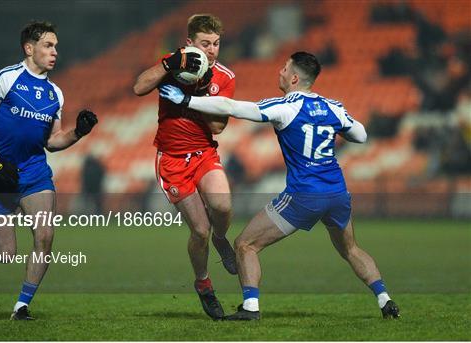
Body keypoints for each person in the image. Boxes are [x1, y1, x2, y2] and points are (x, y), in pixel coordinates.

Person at [159, 51, 400, 320]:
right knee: (351, 249)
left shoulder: (286, 107)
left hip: (304, 195)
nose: (280, 72)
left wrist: (189, 100)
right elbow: (361, 134)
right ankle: (385, 300)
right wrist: (333, 126)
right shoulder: (333, 107)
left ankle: (250, 308)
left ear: (295, 78)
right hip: (337, 193)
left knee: (245, 244)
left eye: (284, 69)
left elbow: (232, 107)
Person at [0, 21, 98, 320]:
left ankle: (22, 305)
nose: (55, 52)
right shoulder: (5, 78)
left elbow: (52, 141)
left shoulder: (55, 94)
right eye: (48, 46)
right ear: (29, 48)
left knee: (45, 234)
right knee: (5, 254)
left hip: (34, 171)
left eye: (56, 46)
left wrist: (78, 132)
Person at [133, 14, 236, 320]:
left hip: (204, 152)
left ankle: (222, 239)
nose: (212, 49)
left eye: (216, 43)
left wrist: (197, 94)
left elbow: (218, 125)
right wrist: (168, 65)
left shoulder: (224, 77)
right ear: (190, 43)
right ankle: (204, 284)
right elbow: (139, 87)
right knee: (199, 230)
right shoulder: (173, 63)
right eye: (205, 43)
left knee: (223, 205)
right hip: (173, 159)